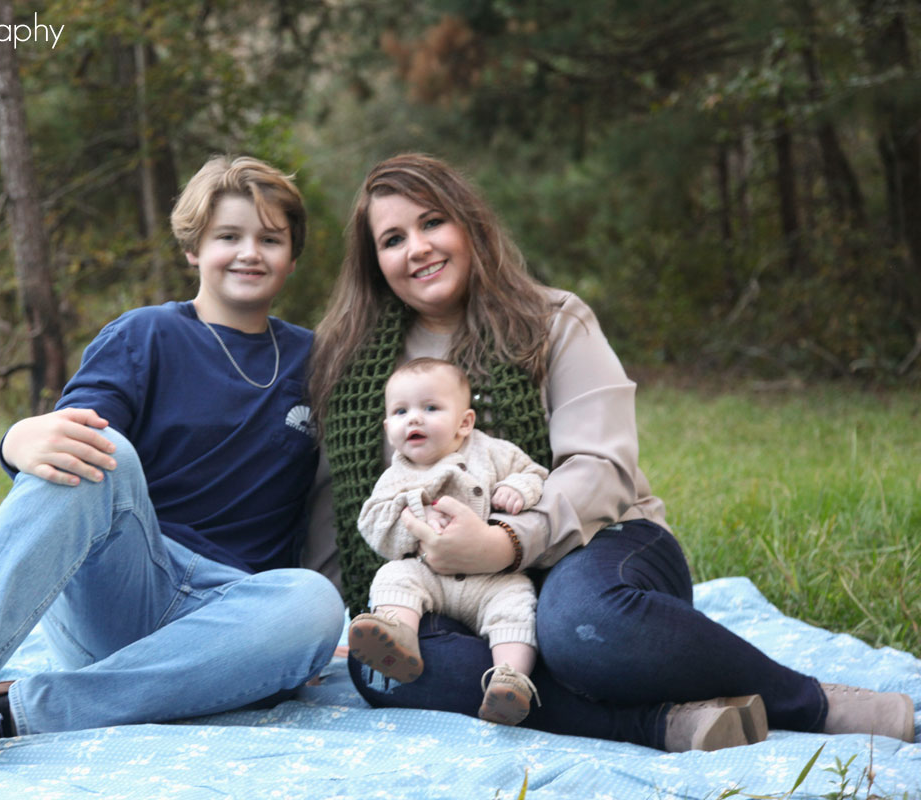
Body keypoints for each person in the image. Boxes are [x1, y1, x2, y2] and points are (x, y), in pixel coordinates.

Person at [308, 152, 916, 752]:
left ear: (469, 225)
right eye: (392, 239)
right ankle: (668, 724)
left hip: (600, 544)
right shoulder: (358, 365)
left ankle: (814, 703)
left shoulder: (550, 319)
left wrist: (504, 542)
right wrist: (332, 612)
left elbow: (602, 467)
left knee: (576, 629)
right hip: (455, 586)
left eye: (432, 222)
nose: (416, 248)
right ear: (375, 262)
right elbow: (339, 504)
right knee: (384, 668)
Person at [0, 155, 345, 784]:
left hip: (227, 622)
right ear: (194, 249)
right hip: (124, 582)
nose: (248, 252)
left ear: (292, 256)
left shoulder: (319, 360)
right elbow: (65, 451)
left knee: (314, 603)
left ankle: (10, 711)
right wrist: (14, 439)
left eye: (269, 239)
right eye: (228, 236)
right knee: (103, 448)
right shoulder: (145, 335)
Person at [349, 357, 547, 726]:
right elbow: (373, 525)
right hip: (430, 576)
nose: (414, 419)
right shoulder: (396, 476)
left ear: (464, 422)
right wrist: (415, 514)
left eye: (430, 408)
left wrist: (517, 488)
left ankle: (510, 680)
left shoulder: (491, 452)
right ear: (388, 426)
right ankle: (399, 639)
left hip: (490, 577)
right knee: (392, 577)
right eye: (401, 411)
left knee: (517, 602)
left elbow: (534, 473)